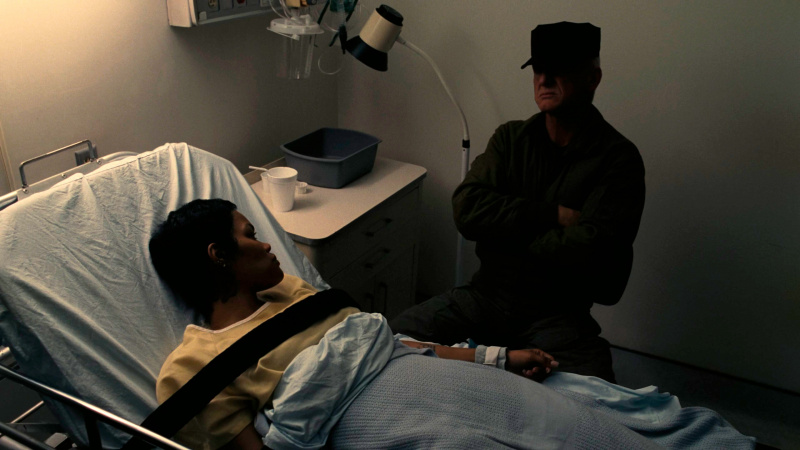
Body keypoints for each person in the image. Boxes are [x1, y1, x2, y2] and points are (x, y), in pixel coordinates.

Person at [148, 199, 558, 450]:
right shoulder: (194, 367)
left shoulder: (291, 293)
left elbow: (392, 347)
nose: (268, 244)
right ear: (219, 254)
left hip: (441, 384)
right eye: (250, 235)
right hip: (392, 425)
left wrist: (498, 358)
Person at [390, 22, 646, 383]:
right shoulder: (510, 139)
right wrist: (551, 215)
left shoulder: (618, 159)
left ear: (593, 78)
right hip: (486, 296)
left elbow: (599, 253)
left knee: (594, 394)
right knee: (393, 339)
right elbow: (467, 209)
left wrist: (506, 234)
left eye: (559, 69)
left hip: (559, 314)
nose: (544, 79)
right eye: (538, 69)